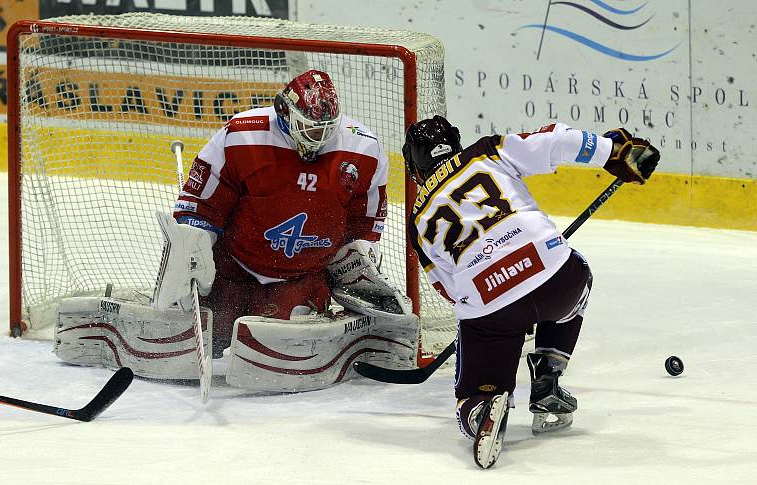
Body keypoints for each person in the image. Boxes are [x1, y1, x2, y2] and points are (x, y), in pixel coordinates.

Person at [401, 116, 659, 469]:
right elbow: (554, 141)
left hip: (491, 308)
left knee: (471, 392)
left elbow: (449, 290)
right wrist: (612, 152)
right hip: (554, 278)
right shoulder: (485, 152)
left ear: (416, 165)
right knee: (579, 275)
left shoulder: (417, 223)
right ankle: (548, 378)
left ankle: (481, 406)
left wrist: (501, 302)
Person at [161, 69, 402, 357]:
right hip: (233, 266)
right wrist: (192, 245)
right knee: (209, 332)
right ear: (285, 112)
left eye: (327, 128)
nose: (319, 137)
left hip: (302, 275)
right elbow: (202, 204)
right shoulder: (242, 135)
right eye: (311, 128)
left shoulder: (364, 148)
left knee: (280, 343)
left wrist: (355, 262)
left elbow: (364, 222)